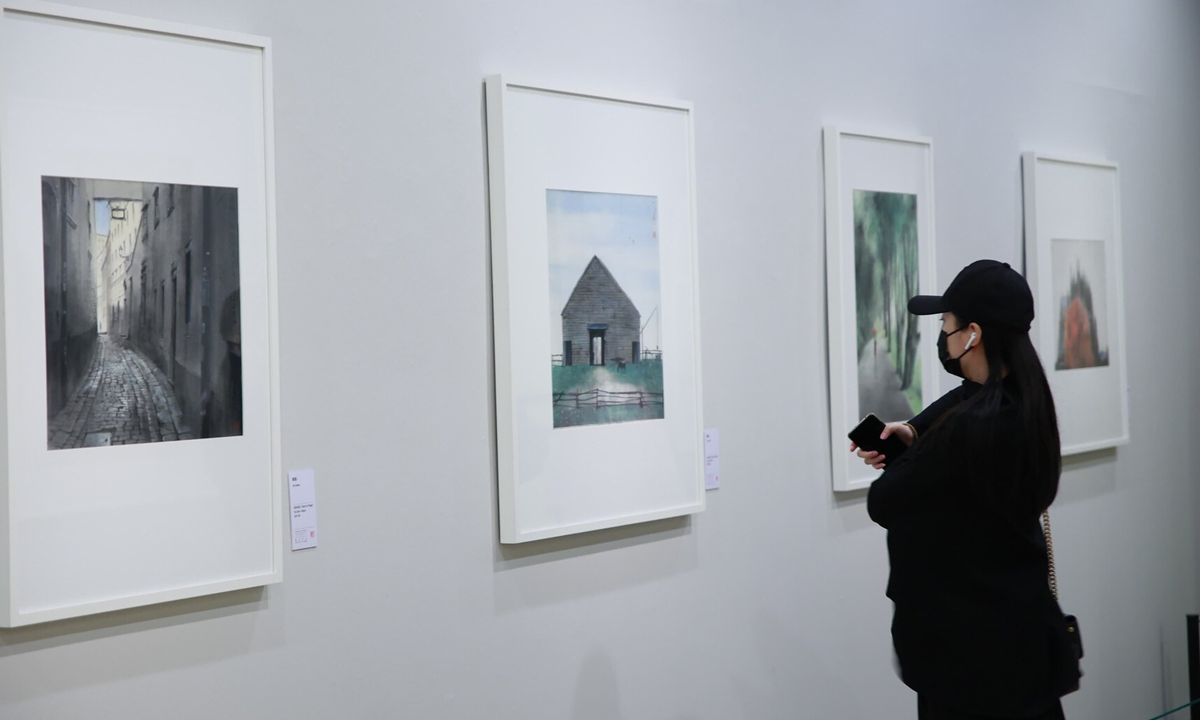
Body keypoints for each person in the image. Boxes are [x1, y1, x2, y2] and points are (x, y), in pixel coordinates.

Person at [852, 260, 1080, 720]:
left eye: (946, 324)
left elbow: (886, 500)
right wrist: (915, 432)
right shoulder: (1026, 401)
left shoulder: (972, 431)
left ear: (972, 334)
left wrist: (911, 454)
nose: (943, 335)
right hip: (1020, 647)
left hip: (968, 668)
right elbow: (969, 396)